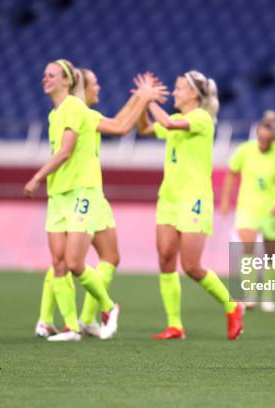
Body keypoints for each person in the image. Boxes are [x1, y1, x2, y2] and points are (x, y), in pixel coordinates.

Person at [26, 59, 163, 341]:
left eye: (51, 75)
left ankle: (76, 319)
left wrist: (140, 98)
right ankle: (74, 320)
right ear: (81, 86)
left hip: (85, 192)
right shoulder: (73, 113)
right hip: (76, 192)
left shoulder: (77, 113)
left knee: (83, 260)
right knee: (67, 261)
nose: (99, 87)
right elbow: (122, 125)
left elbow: (122, 125)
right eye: (94, 83)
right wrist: (140, 98)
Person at [137, 71, 244, 340]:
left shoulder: (201, 118)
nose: (174, 92)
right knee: (165, 258)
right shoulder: (174, 118)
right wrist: (142, 104)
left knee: (192, 265)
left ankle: (232, 306)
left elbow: (168, 125)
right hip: (169, 198)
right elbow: (144, 129)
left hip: (194, 199)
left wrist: (148, 99)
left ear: (194, 94)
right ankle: (175, 325)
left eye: (179, 88)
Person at [220, 110, 275, 312]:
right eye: (260, 138)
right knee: (247, 247)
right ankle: (249, 293)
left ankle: (268, 295)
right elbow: (231, 175)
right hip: (248, 207)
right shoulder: (245, 150)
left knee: (271, 253)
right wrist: (225, 199)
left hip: (271, 210)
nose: (262, 142)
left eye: (266, 139)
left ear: (273, 137)